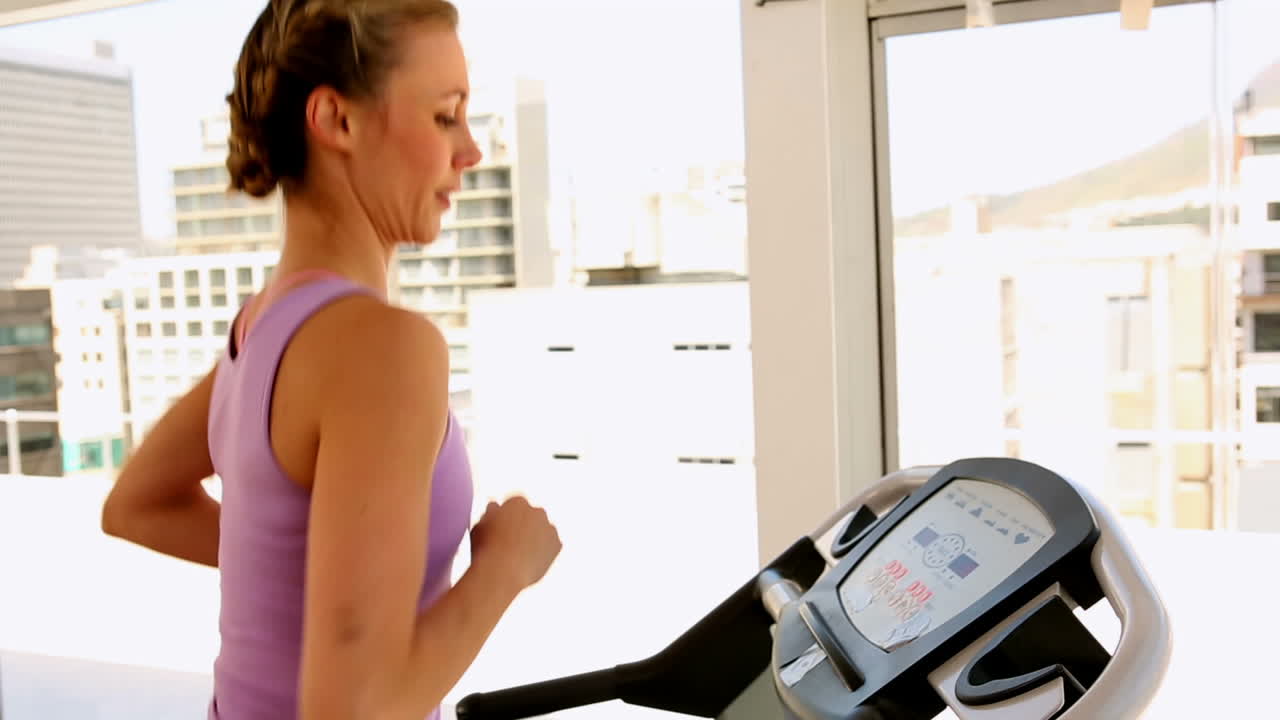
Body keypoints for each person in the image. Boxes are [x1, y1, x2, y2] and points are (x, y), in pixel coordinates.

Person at [100, 1, 563, 718]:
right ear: (337, 121)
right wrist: (504, 567)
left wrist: (304, 575)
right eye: (446, 115)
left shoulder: (261, 328)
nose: (471, 150)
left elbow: (138, 506)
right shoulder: (382, 347)